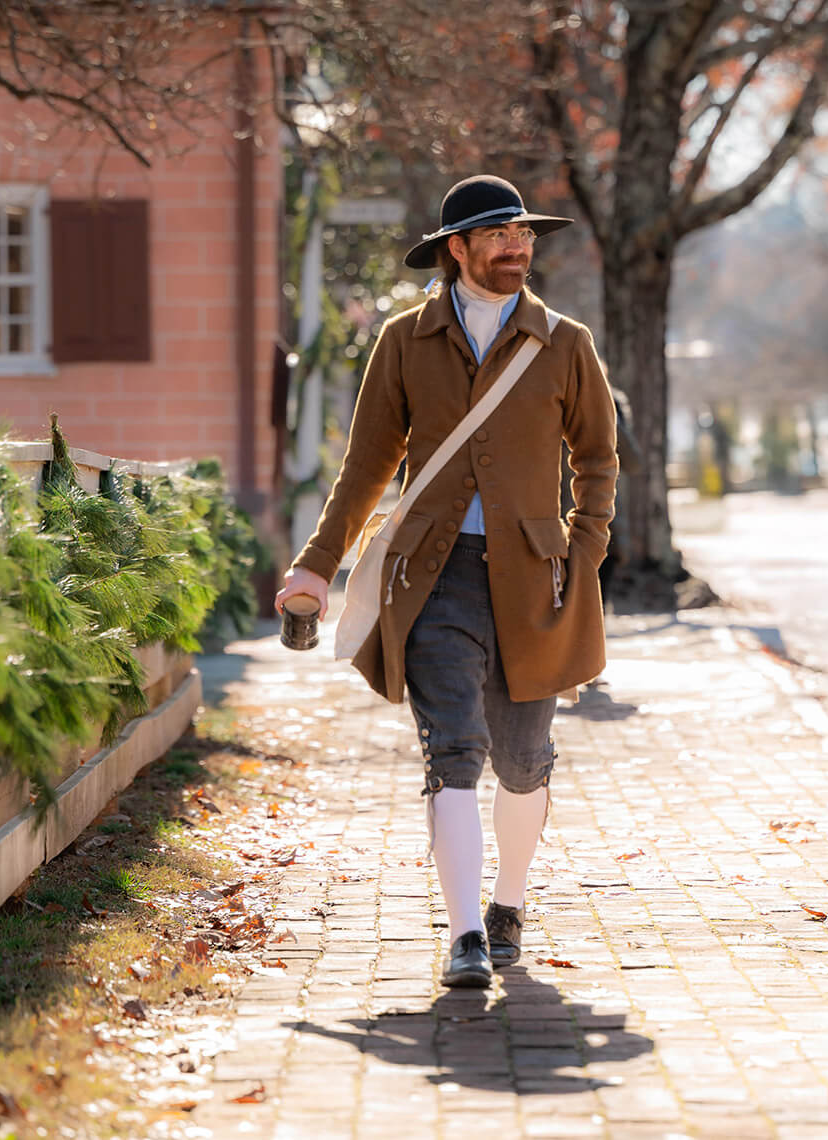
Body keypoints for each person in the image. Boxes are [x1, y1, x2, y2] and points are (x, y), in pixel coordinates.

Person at [275, 175, 618, 988]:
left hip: (537, 581)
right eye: (498, 235)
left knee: (524, 761)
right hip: (431, 581)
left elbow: (598, 458)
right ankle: (465, 934)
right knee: (453, 753)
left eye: (525, 234)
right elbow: (367, 466)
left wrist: (585, 549)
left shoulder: (564, 342)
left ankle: (507, 904)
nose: (517, 247)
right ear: (455, 249)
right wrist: (318, 566)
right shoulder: (403, 341)